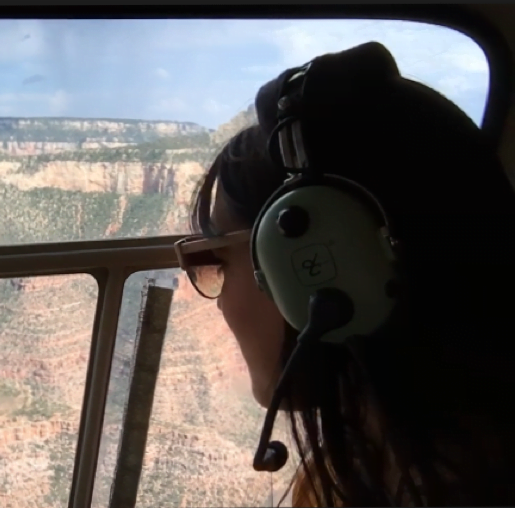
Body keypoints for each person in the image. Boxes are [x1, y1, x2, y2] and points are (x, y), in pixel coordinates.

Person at [174, 42, 515, 506]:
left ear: (306, 270)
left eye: (214, 262)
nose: (216, 300)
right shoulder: (366, 468)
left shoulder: (350, 484)